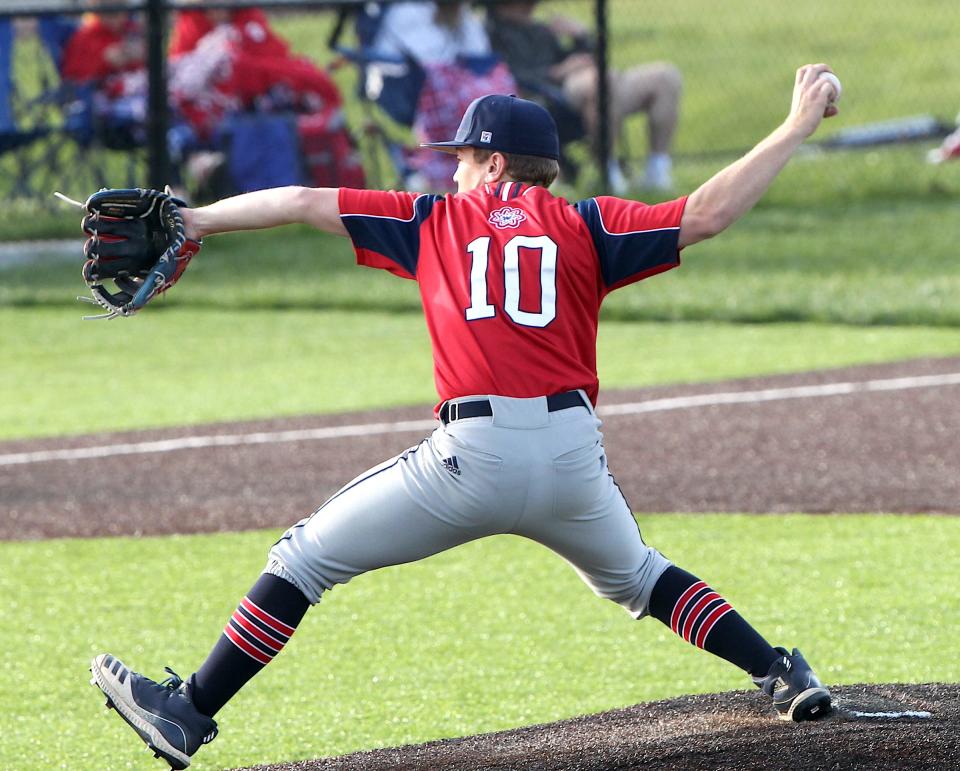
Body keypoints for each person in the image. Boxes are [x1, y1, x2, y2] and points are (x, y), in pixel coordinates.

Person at [90, 64, 840, 770]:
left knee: (303, 559)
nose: (450, 169)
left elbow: (300, 201)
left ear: (492, 164)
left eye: (461, 156)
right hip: (573, 457)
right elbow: (708, 214)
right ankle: (781, 670)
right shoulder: (589, 226)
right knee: (642, 576)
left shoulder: (435, 219)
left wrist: (195, 219)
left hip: (472, 456)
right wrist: (797, 123)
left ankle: (189, 710)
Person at [487, 0, 681, 192]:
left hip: (588, 80)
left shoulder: (539, 29)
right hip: (554, 94)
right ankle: (609, 173)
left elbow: (579, 55)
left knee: (665, 76)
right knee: (602, 84)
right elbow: (507, 76)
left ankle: (657, 173)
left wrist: (581, 37)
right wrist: (557, 72)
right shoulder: (494, 33)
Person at [370, 1, 516, 192]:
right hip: (414, 85)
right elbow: (428, 61)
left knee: (497, 99)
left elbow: (480, 54)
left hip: (464, 83)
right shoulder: (407, 13)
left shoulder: (463, 15)